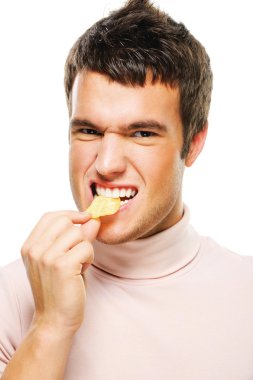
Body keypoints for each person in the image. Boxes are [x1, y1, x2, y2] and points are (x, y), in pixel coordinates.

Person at [0, 0, 253, 378]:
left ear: (194, 143)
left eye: (142, 133)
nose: (106, 164)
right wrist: (49, 325)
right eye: (89, 130)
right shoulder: (11, 296)